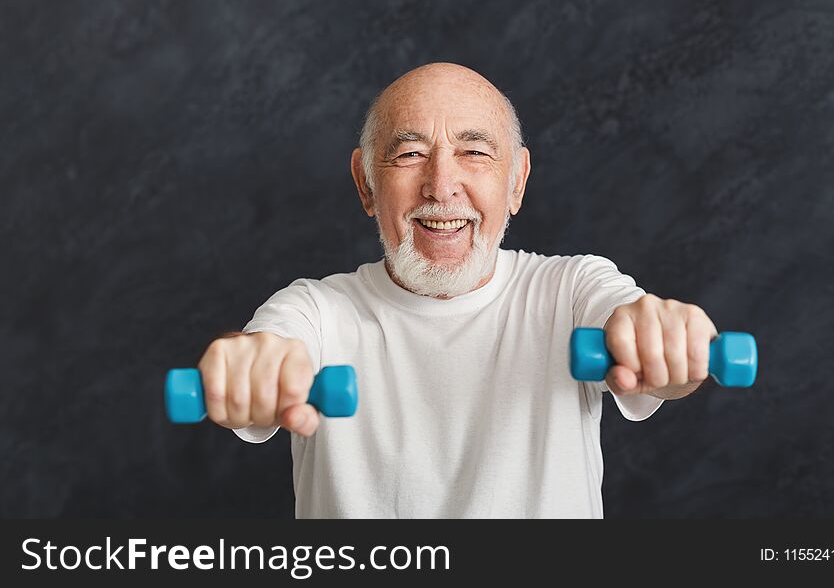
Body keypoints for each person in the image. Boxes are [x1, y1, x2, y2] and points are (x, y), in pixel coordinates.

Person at [197, 62, 718, 518]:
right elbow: (270, 349)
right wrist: (250, 368)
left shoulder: (573, 290)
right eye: (409, 155)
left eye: (473, 152)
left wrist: (661, 338)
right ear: (365, 184)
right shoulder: (315, 309)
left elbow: (633, 330)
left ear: (516, 181)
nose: (441, 185)